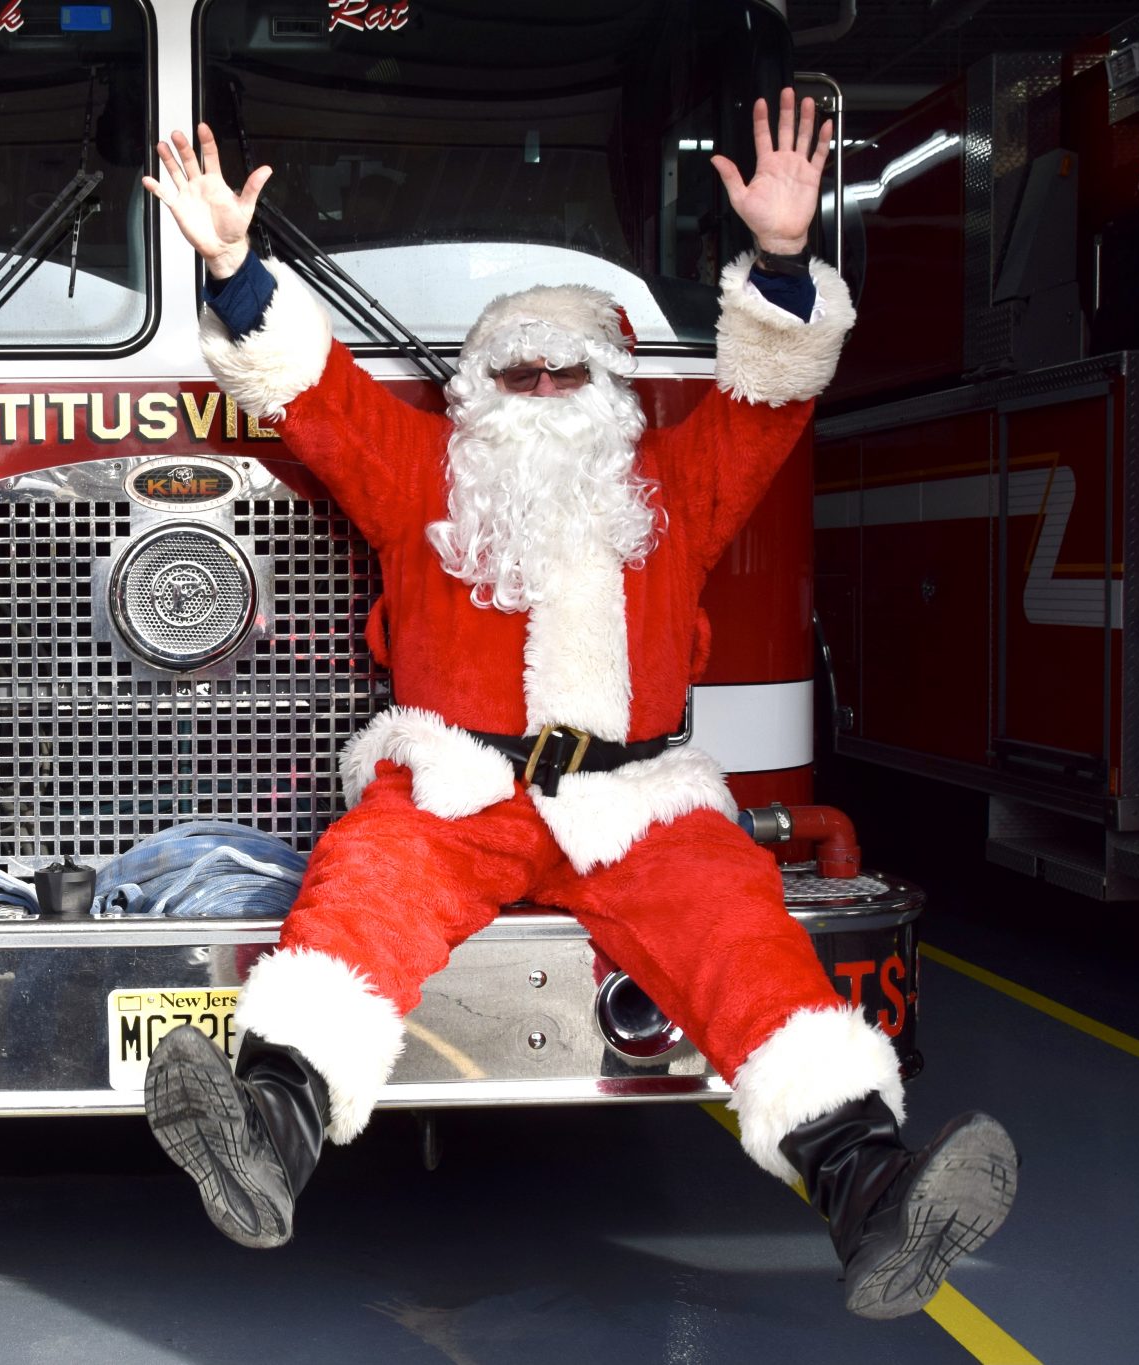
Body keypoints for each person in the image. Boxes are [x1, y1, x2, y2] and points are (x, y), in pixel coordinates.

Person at [138, 92, 1016, 1321]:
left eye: (567, 370)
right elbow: (314, 391)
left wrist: (777, 256)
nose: (542, 387)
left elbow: (767, 399)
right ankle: (265, 1140)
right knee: (363, 886)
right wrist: (231, 265)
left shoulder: (673, 489)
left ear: (612, 389)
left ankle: (872, 1199)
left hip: (634, 801)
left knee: (738, 933)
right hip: (455, 789)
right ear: (475, 390)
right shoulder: (418, 480)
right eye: (515, 370)